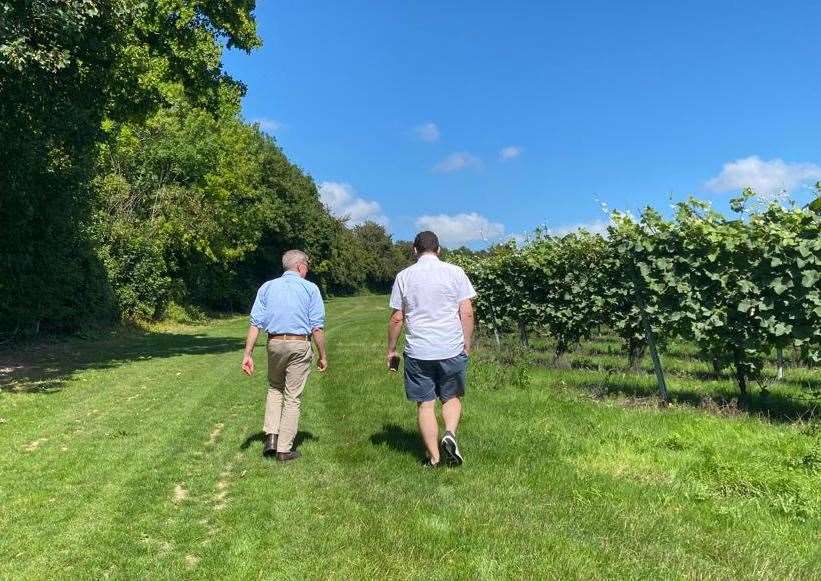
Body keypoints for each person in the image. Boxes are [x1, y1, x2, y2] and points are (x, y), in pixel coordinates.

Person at [387, 231, 476, 467]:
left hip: (419, 351)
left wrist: (391, 350)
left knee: (425, 403)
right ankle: (449, 433)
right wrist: (466, 343)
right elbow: (466, 312)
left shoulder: (404, 276)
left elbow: (397, 318)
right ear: (438, 250)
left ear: (414, 250)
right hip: (451, 347)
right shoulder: (456, 272)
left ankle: (434, 458)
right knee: (451, 397)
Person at [241, 250, 328, 462]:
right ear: (300, 267)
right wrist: (322, 355)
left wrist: (248, 353)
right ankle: (284, 449)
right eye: (307, 265)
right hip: (299, 344)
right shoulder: (310, 289)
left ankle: (271, 437)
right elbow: (317, 327)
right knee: (292, 397)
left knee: (274, 388)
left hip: (274, 342)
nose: (307, 269)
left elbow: (255, 323)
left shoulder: (267, 287)